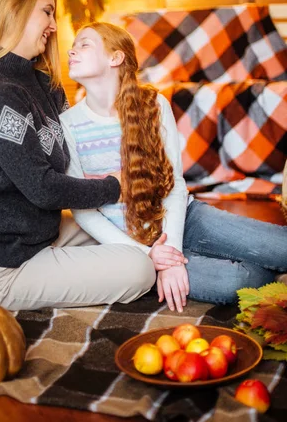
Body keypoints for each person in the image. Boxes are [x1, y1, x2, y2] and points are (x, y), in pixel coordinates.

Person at [0, 0, 172, 312]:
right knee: (140, 268)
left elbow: (66, 164)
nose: (54, 25)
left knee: (129, 231)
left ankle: (170, 260)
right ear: (16, 9)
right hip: (7, 262)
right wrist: (115, 185)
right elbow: (43, 189)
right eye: (47, 11)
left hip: (44, 233)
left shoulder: (43, 83)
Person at [60, 22, 287, 313]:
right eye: (74, 45)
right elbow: (83, 211)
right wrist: (152, 257)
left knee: (280, 247)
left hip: (184, 220)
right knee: (235, 280)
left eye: (84, 44)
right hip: (134, 251)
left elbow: (174, 186)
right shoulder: (67, 124)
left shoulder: (155, 105)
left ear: (115, 58)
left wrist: (172, 251)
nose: (71, 50)